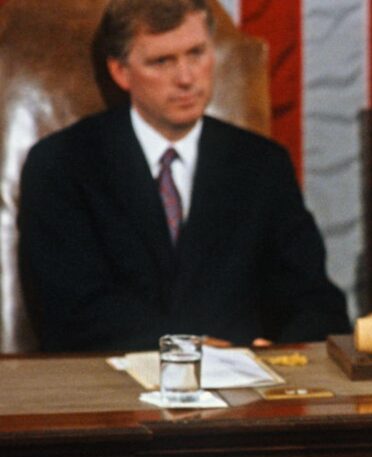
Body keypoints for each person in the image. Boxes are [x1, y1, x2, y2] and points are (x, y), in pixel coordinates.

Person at [18, 0, 351, 352]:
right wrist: (188, 348)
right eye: (162, 61)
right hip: (112, 388)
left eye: (196, 53)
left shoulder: (262, 164)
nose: (187, 78)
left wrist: (286, 353)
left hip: (248, 392)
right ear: (121, 72)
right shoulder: (62, 164)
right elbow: (68, 311)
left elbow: (314, 300)